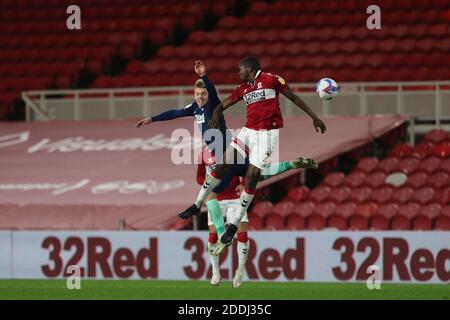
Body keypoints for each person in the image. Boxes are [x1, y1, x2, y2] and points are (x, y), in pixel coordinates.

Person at [178, 57, 327, 256]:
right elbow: (225, 103)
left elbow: (293, 97)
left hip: (267, 135)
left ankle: (233, 224)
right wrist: (215, 113)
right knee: (222, 165)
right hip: (248, 132)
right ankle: (197, 205)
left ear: (249, 69)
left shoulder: (272, 80)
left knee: (252, 176)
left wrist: (314, 117)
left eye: (240, 70)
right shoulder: (243, 88)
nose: (238, 73)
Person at [198, 149, 317, 288]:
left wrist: (243, 182)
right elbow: (199, 177)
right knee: (213, 235)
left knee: (242, 234)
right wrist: (206, 182)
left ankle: (240, 270)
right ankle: (215, 271)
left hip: (235, 197)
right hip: (215, 198)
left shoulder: (234, 150)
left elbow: (251, 171)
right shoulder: (204, 153)